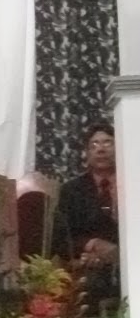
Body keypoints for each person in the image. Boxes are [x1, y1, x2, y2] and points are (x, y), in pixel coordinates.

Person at [53, 122, 120, 308]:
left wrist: (118, 253)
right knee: (87, 287)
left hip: (131, 262)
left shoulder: (133, 182)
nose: (101, 149)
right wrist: (92, 246)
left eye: (108, 142)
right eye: (94, 144)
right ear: (87, 153)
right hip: (88, 268)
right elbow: (60, 239)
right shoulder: (71, 190)